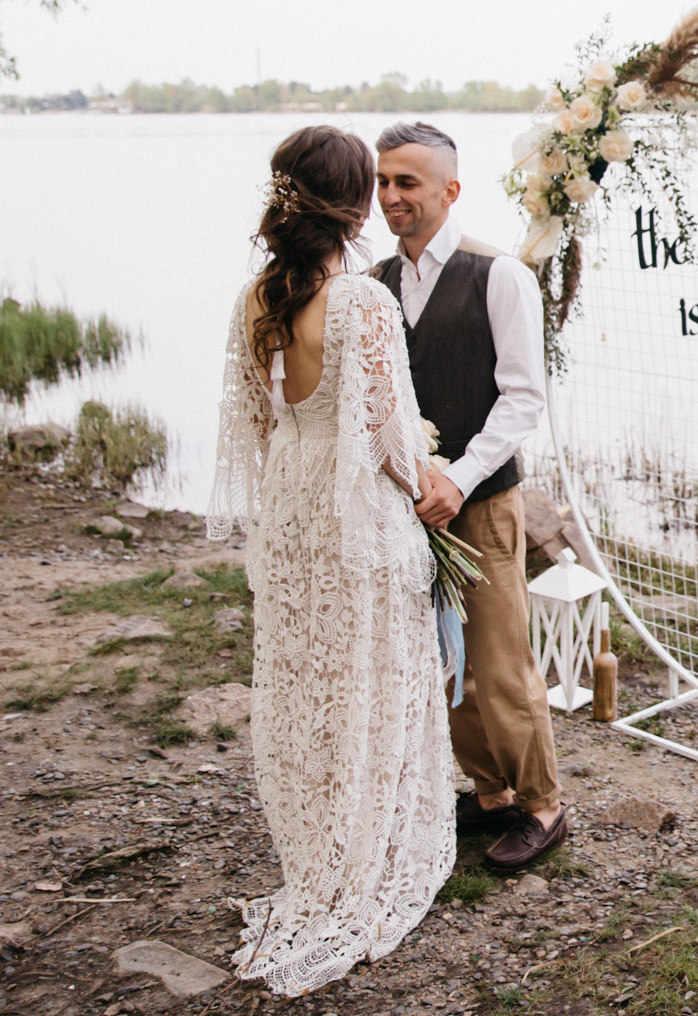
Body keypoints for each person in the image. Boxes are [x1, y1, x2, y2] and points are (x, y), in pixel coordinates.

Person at [208, 126, 456, 996]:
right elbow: (390, 438)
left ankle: (317, 849)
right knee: (371, 675)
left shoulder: (255, 300)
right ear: (354, 207)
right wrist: (426, 484)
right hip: (356, 515)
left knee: (311, 677)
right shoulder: (361, 303)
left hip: (292, 503)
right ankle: (364, 859)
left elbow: (254, 424)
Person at [370, 120, 566, 871]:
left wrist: (457, 478)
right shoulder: (379, 283)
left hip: (481, 503)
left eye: (407, 183)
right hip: (410, 506)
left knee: (498, 658)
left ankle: (543, 805)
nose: (392, 197)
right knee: (443, 660)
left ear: (449, 191)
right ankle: (489, 795)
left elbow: (522, 401)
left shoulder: (499, 275)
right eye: (384, 182)